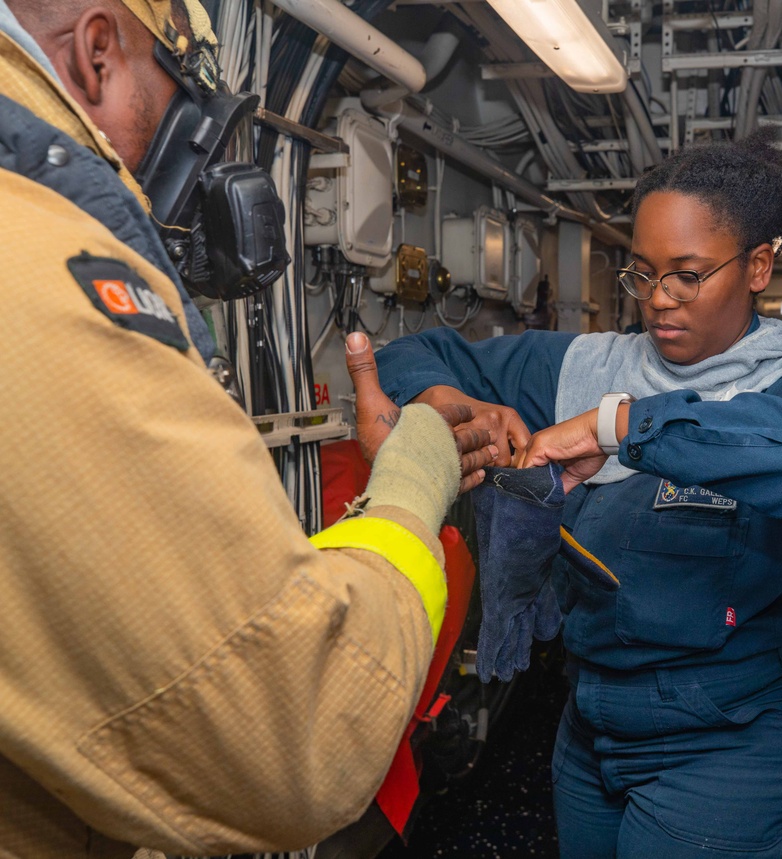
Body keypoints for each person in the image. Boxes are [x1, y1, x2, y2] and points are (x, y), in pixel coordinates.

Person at [0, 1, 497, 857]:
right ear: (97, 54)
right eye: (181, 105)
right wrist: (417, 473)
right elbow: (301, 729)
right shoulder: (38, 264)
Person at [375, 135, 782, 858]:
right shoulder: (585, 363)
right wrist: (446, 399)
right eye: (644, 274)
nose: (658, 301)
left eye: (687, 276)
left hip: (732, 737)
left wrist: (617, 425)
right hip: (593, 726)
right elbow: (407, 351)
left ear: (757, 267)